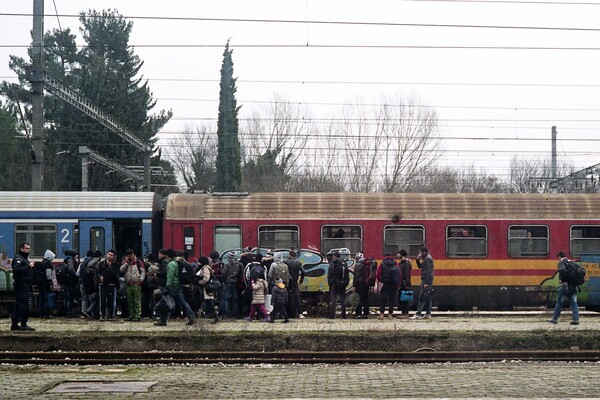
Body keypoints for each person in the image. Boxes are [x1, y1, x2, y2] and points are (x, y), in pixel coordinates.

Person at [164, 250, 196, 325]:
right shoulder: (179, 262)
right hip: (179, 285)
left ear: (167, 256)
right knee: (183, 302)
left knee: (165, 301)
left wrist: (167, 286)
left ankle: (163, 320)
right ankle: (191, 317)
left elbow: (170, 276)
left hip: (172, 285)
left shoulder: (171, 264)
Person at [549, 251, 580, 325]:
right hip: (573, 286)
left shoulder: (562, 263)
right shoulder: (572, 262)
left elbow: (562, 270)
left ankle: (554, 319)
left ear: (559, 257)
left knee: (559, 302)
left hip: (565, 286)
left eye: (558, 258)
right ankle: (576, 320)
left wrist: (562, 279)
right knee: (574, 303)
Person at [10, 242, 35, 331]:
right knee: (23, 304)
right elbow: (17, 270)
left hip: (24, 284)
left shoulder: (23, 259)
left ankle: (15, 323)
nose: (28, 250)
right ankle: (23, 323)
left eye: (29, 249)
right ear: (21, 249)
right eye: (27, 248)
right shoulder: (18, 259)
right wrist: (28, 266)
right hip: (21, 284)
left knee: (18, 304)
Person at [120, 248, 146, 322]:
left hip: (136, 283)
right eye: (128, 255)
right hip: (128, 284)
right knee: (130, 300)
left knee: (137, 300)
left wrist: (140, 280)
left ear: (134, 254)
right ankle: (131, 315)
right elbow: (121, 270)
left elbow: (143, 271)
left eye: (131, 255)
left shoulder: (138, 262)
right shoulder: (124, 262)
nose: (130, 257)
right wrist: (126, 263)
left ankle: (138, 315)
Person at [411, 246, 434, 320]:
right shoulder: (426, 259)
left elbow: (428, 272)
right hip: (427, 280)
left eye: (420, 252)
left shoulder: (428, 259)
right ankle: (428, 313)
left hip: (426, 281)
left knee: (422, 297)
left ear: (424, 252)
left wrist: (426, 283)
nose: (420, 254)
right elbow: (420, 266)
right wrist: (417, 260)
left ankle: (418, 313)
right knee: (427, 297)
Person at [327, 250, 349, 319]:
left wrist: (330, 283)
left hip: (335, 284)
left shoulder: (333, 263)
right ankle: (344, 315)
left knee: (333, 300)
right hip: (343, 284)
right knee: (343, 300)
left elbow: (330, 274)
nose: (332, 257)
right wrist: (345, 283)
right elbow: (347, 274)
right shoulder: (344, 263)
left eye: (333, 256)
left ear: (335, 256)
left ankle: (332, 315)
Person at [376, 252, 399, 319]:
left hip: (386, 284)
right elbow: (399, 274)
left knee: (383, 299)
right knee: (392, 299)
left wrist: (382, 280)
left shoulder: (382, 264)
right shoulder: (395, 263)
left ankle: (382, 314)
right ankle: (390, 314)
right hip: (393, 284)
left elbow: (378, 275)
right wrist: (397, 284)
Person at [196, 256, 218, 324]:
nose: (197, 263)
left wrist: (199, 282)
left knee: (210, 301)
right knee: (209, 301)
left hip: (207, 288)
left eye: (199, 262)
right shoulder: (206, 267)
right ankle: (214, 316)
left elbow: (206, 278)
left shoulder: (205, 268)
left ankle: (215, 316)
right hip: (207, 288)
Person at [33, 250, 55, 319]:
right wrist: (50, 282)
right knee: (46, 299)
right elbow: (48, 274)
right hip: (45, 284)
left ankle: (41, 314)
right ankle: (46, 314)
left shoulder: (41, 263)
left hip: (40, 283)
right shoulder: (48, 264)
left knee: (41, 299)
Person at [98, 249, 119, 321]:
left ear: (114, 257)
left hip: (111, 284)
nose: (109, 256)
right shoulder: (101, 263)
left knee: (110, 300)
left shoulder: (116, 265)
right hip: (103, 284)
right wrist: (100, 277)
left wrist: (110, 267)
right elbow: (98, 272)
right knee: (103, 300)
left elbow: (114, 274)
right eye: (109, 254)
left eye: (111, 255)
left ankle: (110, 315)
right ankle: (102, 315)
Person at [220, 251, 242, 319]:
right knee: (235, 299)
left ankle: (225, 314)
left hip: (228, 282)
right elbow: (241, 274)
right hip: (235, 282)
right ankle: (235, 314)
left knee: (225, 298)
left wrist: (223, 280)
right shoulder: (239, 264)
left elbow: (224, 274)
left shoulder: (227, 265)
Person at [285, 250, 306, 319]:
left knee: (287, 297)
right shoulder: (298, 263)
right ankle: (300, 313)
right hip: (295, 282)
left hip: (287, 283)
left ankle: (287, 313)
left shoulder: (286, 262)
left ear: (290, 255)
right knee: (297, 297)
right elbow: (303, 272)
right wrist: (301, 280)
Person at [82, 250, 102, 319]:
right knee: (97, 300)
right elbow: (96, 276)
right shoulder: (97, 263)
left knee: (91, 299)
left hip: (87, 284)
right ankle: (89, 312)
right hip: (93, 285)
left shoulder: (88, 263)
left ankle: (90, 314)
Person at [60, 249, 79, 318]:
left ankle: (66, 311)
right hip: (70, 281)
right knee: (69, 297)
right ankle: (68, 312)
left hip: (66, 281)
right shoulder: (70, 260)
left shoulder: (66, 260)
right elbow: (70, 269)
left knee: (66, 297)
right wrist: (76, 274)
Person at [352, 252, 371, 319]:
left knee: (358, 299)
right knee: (366, 299)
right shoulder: (367, 264)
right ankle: (366, 314)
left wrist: (354, 285)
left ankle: (358, 314)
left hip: (359, 284)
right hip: (366, 284)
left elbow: (356, 276)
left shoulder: (358, 265)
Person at [77, 250, 94, 318]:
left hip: (82, 282)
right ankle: (90, 312)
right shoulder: (92, 262)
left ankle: (83, 313)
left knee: (84, 298)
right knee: (91, 298)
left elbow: (77, 273)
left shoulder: (82, 263)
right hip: (90, 283)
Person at [397, 249, 412, 318]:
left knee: (405, 298)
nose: (397, 255)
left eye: (399, 253)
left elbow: (407, 273)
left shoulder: (406, 263)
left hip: (404, 282)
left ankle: (405, 313)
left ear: (401, 254)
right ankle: (403, 312)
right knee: (402, 298)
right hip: (402, 282)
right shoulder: (403, 262)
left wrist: (407, 283)